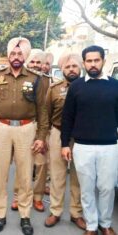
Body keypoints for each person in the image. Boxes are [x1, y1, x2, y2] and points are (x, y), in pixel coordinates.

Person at [0, 37, 48, 235]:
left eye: (20, 53)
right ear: (8, 56)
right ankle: (0, 215)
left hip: (27, 129)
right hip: (2, 128)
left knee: (25, 175)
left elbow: (42, 109)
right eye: (12, 53)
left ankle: (25, 215)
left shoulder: (36, 78)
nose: (16, 56)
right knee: (0, 174)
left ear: (25, 56)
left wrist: (41, 136)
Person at [61, 45, 118, 235]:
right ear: (84, 63)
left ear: (103, 61)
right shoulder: (76, 86)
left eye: (96, 60)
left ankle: (105, 223)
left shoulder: (115, 85)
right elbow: (67, 117)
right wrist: (64, 144)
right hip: (82, 146)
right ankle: (92, 225)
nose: (93, 64)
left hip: (109, 146)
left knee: (107, 188)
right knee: (86, 189)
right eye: (89, 61)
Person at [44, 52, 86, 230]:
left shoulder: (88, 87)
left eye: (74, 66)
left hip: (81, 138)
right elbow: (46, 113)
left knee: (79, 177)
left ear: (80, 68)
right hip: (57, 133)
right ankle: (55, 211)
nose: (71, 69)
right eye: (67, 66)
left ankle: (76, 213)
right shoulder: (54, 89)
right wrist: (45, 137)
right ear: (61, 69)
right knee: (57, 175)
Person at [11, 49, 49, 212]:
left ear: (43, 65)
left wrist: (44, 133)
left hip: (44, 127)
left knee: (41, 164)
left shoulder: (50, 82)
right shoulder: (23, 79)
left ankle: (38, 197)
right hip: (26, 126)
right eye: (32, 61)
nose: (35, 65)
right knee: (22, 162)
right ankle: (18, 197)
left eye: (38, 62)